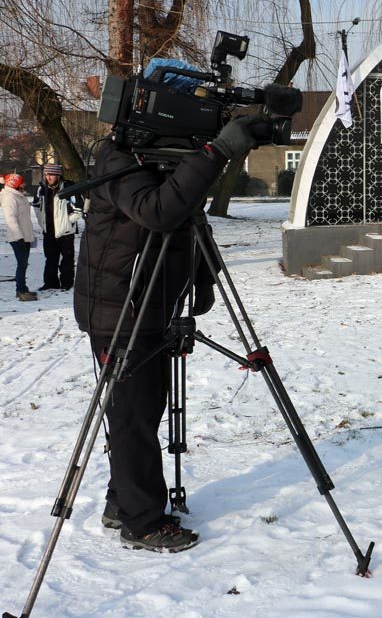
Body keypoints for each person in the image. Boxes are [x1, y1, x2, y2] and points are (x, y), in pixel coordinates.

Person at [74, 113, 265, 551]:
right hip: (120, 313)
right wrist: (215, 153)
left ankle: (123, 498)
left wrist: (203, 278)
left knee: (142, 411)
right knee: (132, 415)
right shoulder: (119, 159)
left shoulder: (161, 163)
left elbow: (188, 216)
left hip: (151, 309)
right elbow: (158, 212)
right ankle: (141, 522)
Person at [34, 163, 84, 291]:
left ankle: (67, 282)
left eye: (51, 175)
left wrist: (67, 223)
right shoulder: (42, 188)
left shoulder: (68, 188)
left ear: (58, 175)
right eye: (46, 174)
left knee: (67, 258)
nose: (48, 177)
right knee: (50, 258)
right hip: (49, 230)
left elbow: (78, 208)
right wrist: (42, 223)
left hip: (65, 231)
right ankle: (50, 283)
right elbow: (36, 206)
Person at [2, 173, 38, 301]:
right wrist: (19, 237)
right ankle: (21, 291)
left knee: (23, 264)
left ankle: (22, 289)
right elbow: (11, 219)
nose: (24, 184)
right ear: (15, 184)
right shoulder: (10, 198)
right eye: (22, 182)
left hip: (25, 236)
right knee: (22, 264)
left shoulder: (18, 196)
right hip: (18, 238)